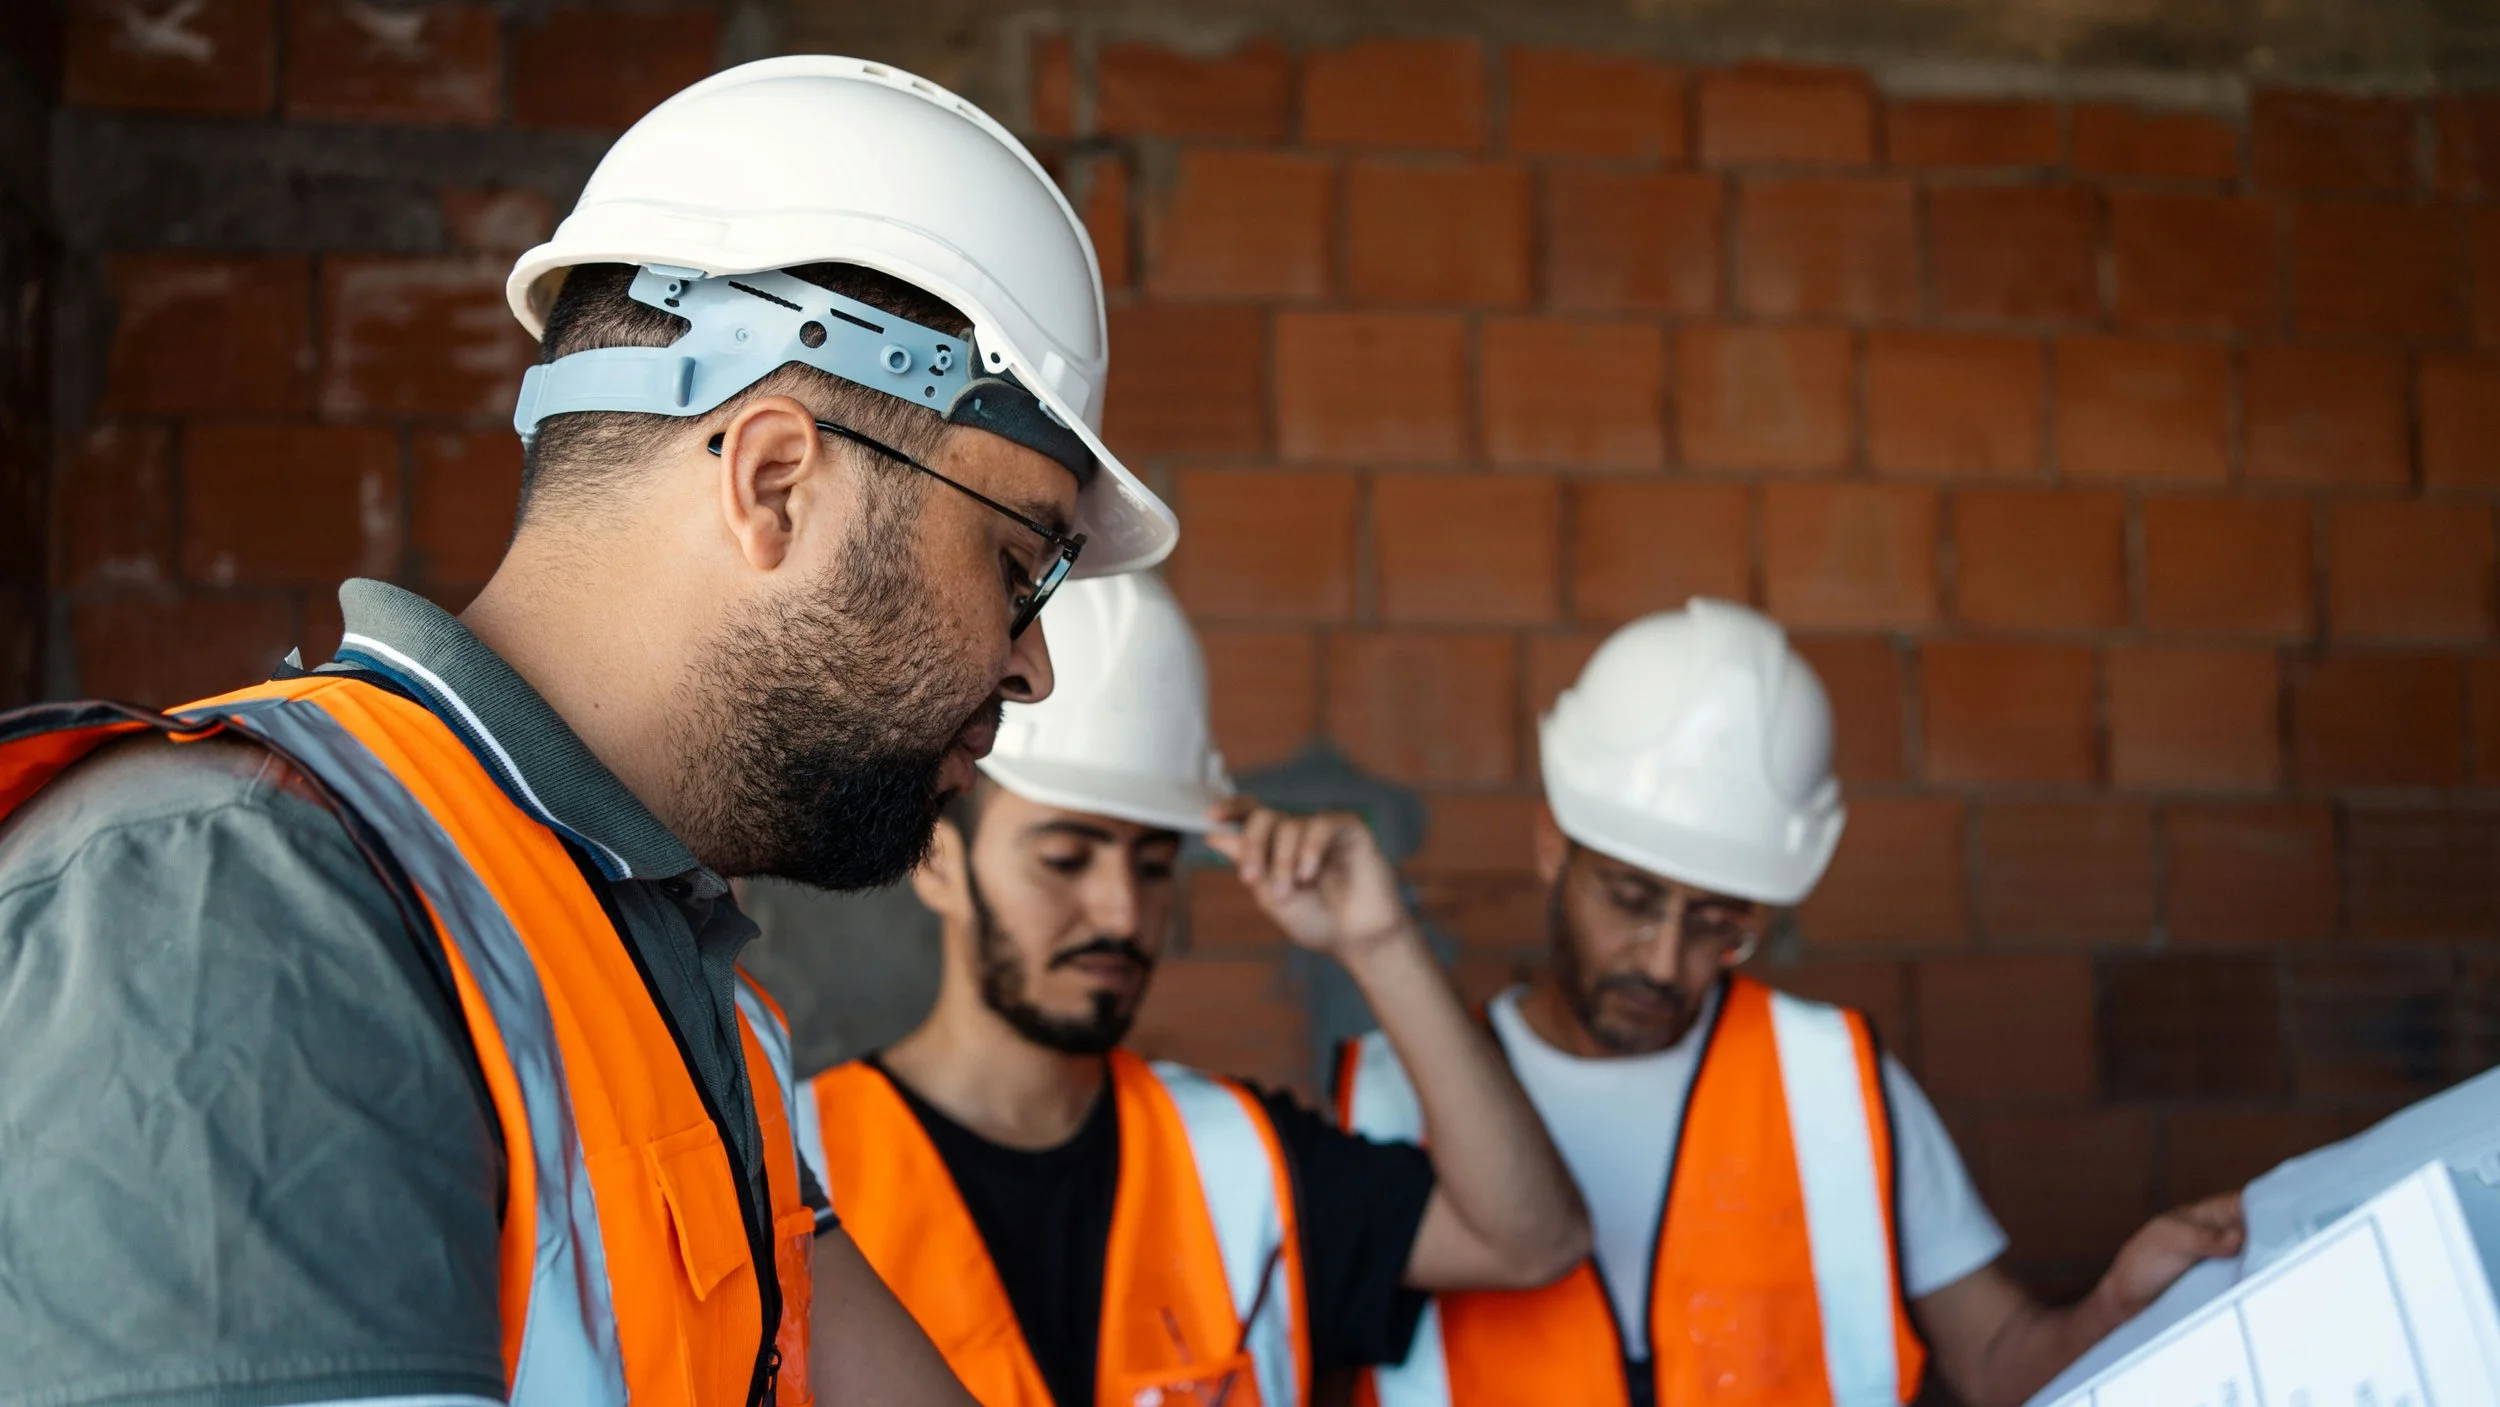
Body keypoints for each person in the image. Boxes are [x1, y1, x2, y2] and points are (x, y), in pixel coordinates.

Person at [0, 57, 1174, 1407]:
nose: (1029, 664)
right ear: (775, 481)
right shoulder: (230, 903)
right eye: (1021, 560)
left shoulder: (664, 977)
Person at [1335, 598, 2247, 1407]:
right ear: (1549, 844)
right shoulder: (1385, 1097)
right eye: (1630, 897)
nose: (1663, 960)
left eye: (1716, 922)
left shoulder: (1832, 1085)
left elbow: (2002, 1362)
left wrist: (2120, 1301)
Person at [797, 572, 1590, 1407]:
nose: (1122, 909)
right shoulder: (796, 1167)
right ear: (938, 863)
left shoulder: (1238, 1158)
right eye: (1066, 858)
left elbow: (1531, 1238)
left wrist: (1379, 940)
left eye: (1153, 862)